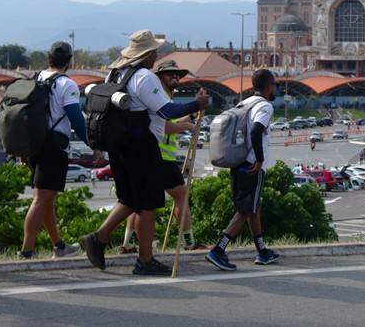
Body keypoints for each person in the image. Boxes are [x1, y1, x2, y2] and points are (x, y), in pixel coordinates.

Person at [81, 30, 208, 276]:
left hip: (118, 146)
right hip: (141, 146)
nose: (156, 56)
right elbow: (167, 111)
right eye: (155, 52)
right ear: (148, 54)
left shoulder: (115, 73)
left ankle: (98, 238)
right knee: (147, 203)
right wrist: (197, 104)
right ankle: (145, 260)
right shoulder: (144, 78)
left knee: (129, 199)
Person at [119, 60, 206, 253]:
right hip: (159, 156)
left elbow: (171, 120)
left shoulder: (164, 97)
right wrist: (188, 126)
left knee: (138, 200)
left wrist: (190, 117)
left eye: (177, 75)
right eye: (169, 74)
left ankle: (127, 243)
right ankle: (189, 242)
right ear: (159, 77)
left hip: (155, 155)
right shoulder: (158, 97)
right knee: (180, 195)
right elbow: (165, 126)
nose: (174, 77)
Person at [205, 69, 279, 272]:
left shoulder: (246, 102)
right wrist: (260, 160)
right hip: (251, 164)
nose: (275, 89)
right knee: (245, 210)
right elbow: (256, 130)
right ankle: (218, 250)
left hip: (238, 162)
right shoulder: (264, 106)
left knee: (253, 208)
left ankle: (262, 251)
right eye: (274, 85)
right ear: (268, 86)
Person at [18, 42, 86, 259]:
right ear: (69, 62)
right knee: (40, 199)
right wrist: (93, 144)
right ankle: (27, 251)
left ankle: (59, 246)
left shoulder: (37, 78)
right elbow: (76, 119)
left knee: (48, 198)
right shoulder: (67, 84)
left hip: (35, 145)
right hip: (54, 147)